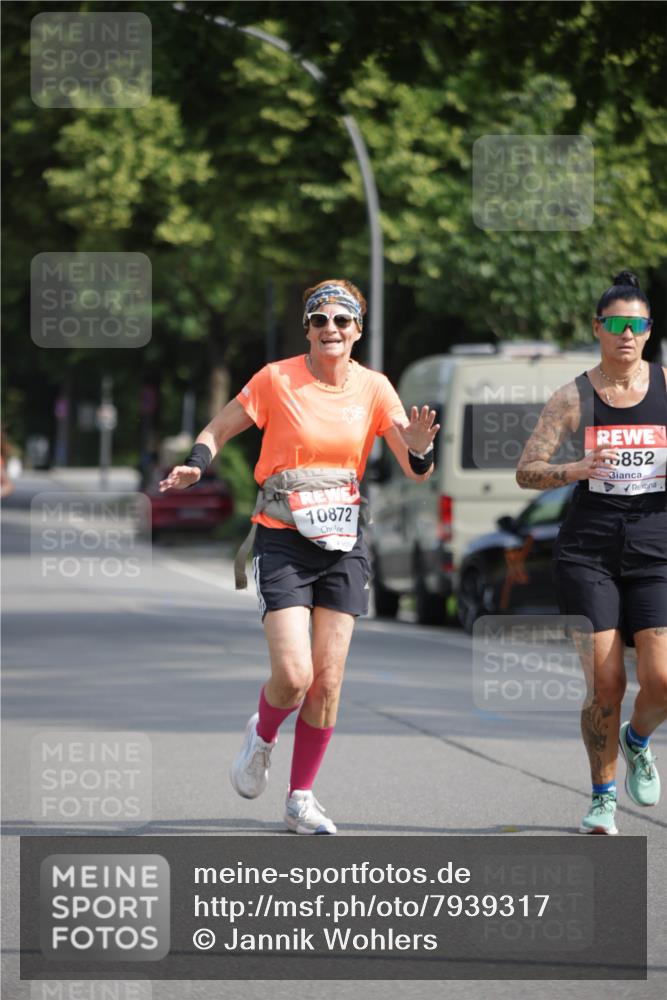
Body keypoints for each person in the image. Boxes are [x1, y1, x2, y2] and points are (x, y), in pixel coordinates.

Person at [159, 279, 439, 834]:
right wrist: (197, 462)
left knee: (328, 683)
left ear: (358, 330)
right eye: (319, 320)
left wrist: (422, 448)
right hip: (283, 538)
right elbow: (220, 428)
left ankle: (300, 799)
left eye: (342, 320)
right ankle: (261, 736)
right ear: (307, 329)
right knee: (293, 675)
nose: (330, 329)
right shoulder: (275, 379)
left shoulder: (376, 388)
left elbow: (414, 469)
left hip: (343, 545)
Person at [516, 270, 667, 835]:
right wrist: (572, 470)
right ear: (598, 329)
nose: (627, 334)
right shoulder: (572, 398)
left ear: (648, 332)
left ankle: (638, 739)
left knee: (663, 682)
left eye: (638, 325)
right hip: (589, 551)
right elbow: (526, 471)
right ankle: (603, 797)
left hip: (655, 547)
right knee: (606, 685)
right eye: (616, 324)